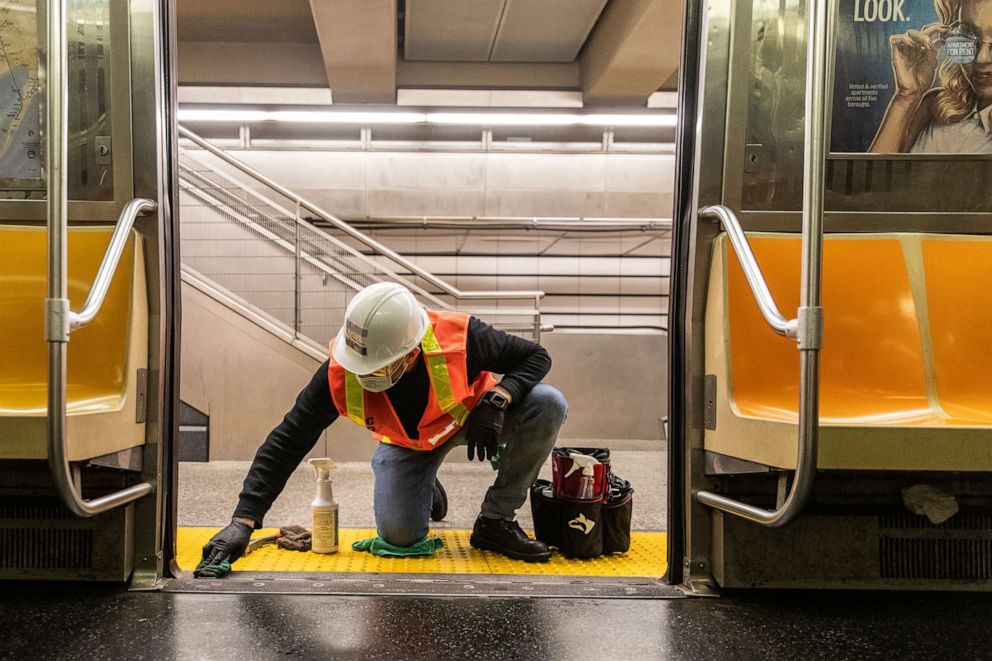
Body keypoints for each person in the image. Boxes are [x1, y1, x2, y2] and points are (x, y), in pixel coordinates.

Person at [200, 282, 567, 568]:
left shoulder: (460, 336)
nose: (365, 376)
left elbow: (536, 355)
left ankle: (496, 521)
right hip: (410, 444)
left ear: (411, 353)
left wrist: (501, 395)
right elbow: (288, 440)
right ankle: (423, 486)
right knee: (400, 536)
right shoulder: (338, 374)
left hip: (477, 417)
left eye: (379, 367)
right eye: (361, 366)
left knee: (548, 402)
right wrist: (243, 521)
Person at [870, 0, 992, 153]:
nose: (982, 58)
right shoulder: (934, 106)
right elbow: (871, 173)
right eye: (969, 36)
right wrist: (907, 96)